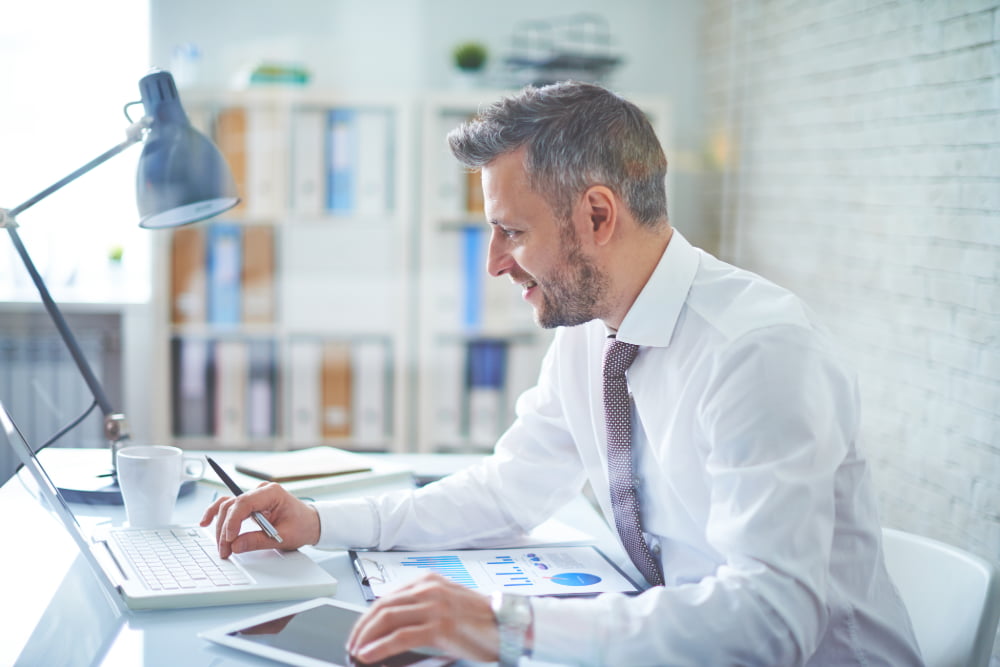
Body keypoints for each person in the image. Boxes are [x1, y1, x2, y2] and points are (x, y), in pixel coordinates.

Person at [202, 81, 924, 666]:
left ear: (598, 214)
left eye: (512, 231)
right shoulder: (591, 335)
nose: (492, 262)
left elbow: (771, 623)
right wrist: (323, 522)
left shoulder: (758, 351)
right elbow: (507, 488)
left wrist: (505, 625)